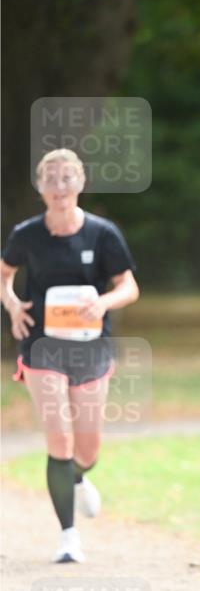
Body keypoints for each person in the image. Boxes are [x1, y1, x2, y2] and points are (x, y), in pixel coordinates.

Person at [1, 149, 139, 563]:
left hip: (91, 348)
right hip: (42, 346)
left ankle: (76, 478)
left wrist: (103, 302)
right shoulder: (27, 234)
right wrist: (12, 305)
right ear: (40, 187)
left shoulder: (102, 233)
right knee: (58, 438)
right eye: (50, 179)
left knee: (87, 451)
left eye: (66, 178)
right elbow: (5, 274)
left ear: (80, 183)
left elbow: (129, 286)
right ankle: (68, 537)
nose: (58, 187)